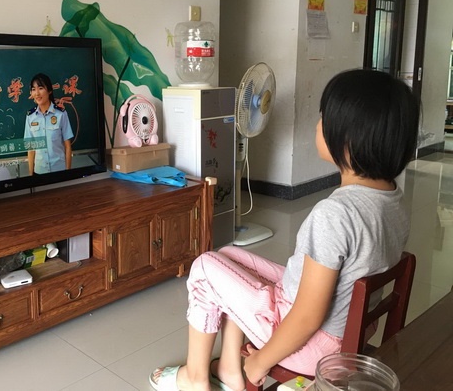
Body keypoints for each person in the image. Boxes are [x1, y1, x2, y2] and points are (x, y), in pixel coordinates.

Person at [149, 69, 421, 391]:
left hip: (315, 348)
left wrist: (259, 362)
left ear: (348, 140)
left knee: (204, 268)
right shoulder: (393, 200)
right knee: (229, 256)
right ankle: (229, 368)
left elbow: (307, 316)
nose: (317, 125)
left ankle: (195, 377)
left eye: (323, 118)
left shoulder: (335, 215)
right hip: (354, 330)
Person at [24, 73, 74, 174]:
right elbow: (31, 148)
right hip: (39, 171)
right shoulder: (30, 117)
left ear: (49, 90)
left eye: (40, 88)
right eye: (33, 89)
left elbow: (68, 146)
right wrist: (30, 174)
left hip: (59, 170)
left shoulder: (61, 114)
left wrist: (68, 173)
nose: (37, 93)